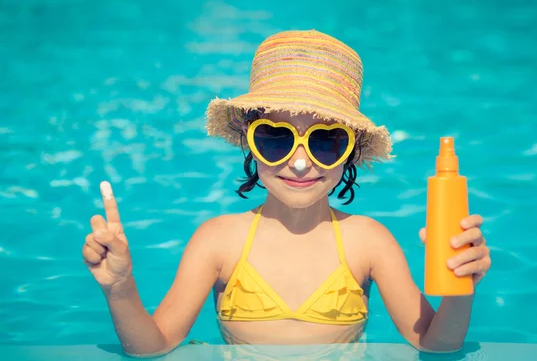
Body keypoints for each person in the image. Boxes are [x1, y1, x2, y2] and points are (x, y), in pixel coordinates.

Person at [82, 30, 492, 357]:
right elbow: (153, 346)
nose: (299, 163)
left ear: (351, 153)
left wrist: (462, 286)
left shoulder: (368, 241)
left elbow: (437, 344)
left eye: (325, 142)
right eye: (277, 140)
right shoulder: (218, 240)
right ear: (250, 145)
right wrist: (119, 288)